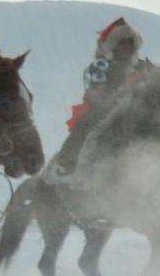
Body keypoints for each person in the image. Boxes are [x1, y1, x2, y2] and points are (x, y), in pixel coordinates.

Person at [44, 16, 147, 182]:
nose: (126, 47)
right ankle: (65, 164)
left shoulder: (140, 66)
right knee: (87, 123)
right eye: (122, 42)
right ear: (114, 45)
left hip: (135, 110)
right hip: (107, 109)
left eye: (129, 43)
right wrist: (119, 95)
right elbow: (96, 93)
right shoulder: (101, 65)